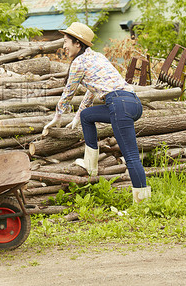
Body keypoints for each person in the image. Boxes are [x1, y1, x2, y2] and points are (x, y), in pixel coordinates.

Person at [42, 22, 151, 203]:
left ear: (78, 43)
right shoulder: (96, 57)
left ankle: (143, 203)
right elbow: (91, 92)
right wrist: (77, 117)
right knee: (87, 115)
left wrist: (57, 116)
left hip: (118, 104)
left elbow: (68, 92)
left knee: (131, 156)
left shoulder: (78, 63)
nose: (63, 46)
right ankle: (90, 165)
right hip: (132, 103)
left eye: (66, 41)